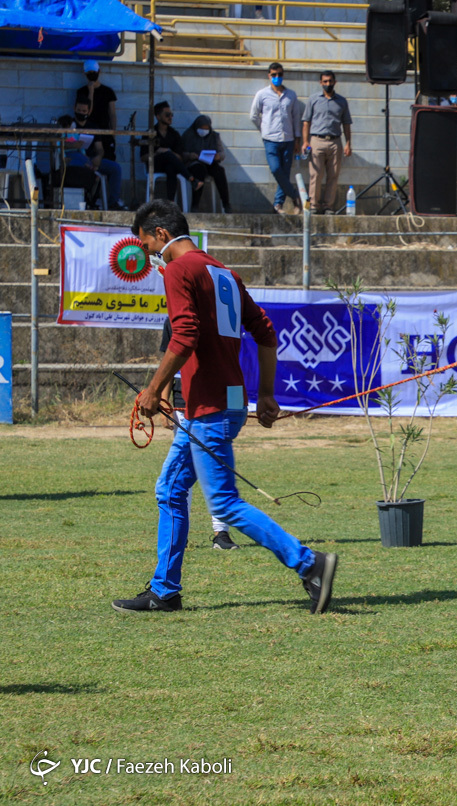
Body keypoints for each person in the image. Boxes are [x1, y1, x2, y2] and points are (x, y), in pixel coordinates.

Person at [112, 199, 339, 613]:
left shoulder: (181, 269)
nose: (149, 256)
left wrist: (153, 389)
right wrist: (266, 394)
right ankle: (165, 591)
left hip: (210, 405)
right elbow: (266, 333)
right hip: (231, 401)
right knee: (169, 489)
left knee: (224, 503)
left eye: (147, 246)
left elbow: (183, 337)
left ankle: (310, 563)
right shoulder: (223, 272)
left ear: (161, 235)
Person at [160, 318, 237, 550]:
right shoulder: (173, 320)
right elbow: (167, 362)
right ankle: (178, 535)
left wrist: (234, 410)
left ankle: (221, 533)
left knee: (217, 471)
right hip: (185, 410)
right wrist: (165, 403)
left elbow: (234, 365)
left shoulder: (223, 320)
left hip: (217, 410)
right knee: (180, 478)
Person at [250, 62, 303, 214]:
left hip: (288, 139)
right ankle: (295, 196)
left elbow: (295, 117)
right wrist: (264, 128)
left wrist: (297, 140)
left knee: (285, 173)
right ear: (269, 76)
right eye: (274, 75)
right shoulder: (262, 94)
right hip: (270, 140)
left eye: (279, 74)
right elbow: (253, 115)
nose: (277, 77)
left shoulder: (291, 95)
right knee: (276, 169)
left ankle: (277, 205)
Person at [301, 71, 353, 215]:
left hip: (335, 141)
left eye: (330, 81)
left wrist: (348, 143)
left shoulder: (342, 101)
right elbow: (306, 122)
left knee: (333, 175)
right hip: (317, 140)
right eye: (325, 81)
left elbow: (346, 124)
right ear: (320, 83)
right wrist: (305, 142)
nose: (328, 84)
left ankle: (328, 206)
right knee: (315, 175)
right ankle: (313, 206)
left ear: (335, 82)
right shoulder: (313, 99)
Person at [66, 98, 124, 211]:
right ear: (74, 109)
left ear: (88, 111)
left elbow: (100, 149)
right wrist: (74, 146)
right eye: (79, 110)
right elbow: (59, 144)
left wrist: (99, 157)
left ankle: (113, 202)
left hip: (92, 159)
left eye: (84, 111)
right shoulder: (69, 125)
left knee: (115, 168)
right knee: (80, 160)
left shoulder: (93, 127)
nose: (81, 113)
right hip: (76, 159)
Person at [145, 101, 205, 204]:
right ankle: (191, 179)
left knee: (171, 167)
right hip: (155, 164)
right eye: (167, 115)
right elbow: (143, 157)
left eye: (171, 114)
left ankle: (171, 202)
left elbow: (180, 157)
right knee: (167, 154)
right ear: (158, 117)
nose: (170, 117)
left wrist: (168, 152)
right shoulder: (150, 133)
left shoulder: (174, 134)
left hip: (171, 165)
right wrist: (158, 152)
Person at [179, 115, 231, 214]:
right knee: (199, 170)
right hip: (194, 163)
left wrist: (218, 156)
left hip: (209, 162)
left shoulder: (214, 136)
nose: (204, 131)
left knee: (219, 171)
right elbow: (181, 153)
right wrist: (190, 155)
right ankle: (195, 205)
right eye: (201, 128)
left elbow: (222, 153)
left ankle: (226, 204)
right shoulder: (188, 135)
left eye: (206, 129)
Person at [76, 59, 117, 161]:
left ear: (99, 71)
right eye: (89, 73)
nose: (92, 75)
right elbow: (87, 111)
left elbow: (112, 113)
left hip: (104, 130)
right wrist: (91, 92)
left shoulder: (108, 91)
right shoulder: (82, 91)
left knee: (108, 158)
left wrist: (113, 132)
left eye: (94, 72)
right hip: (89, 131)